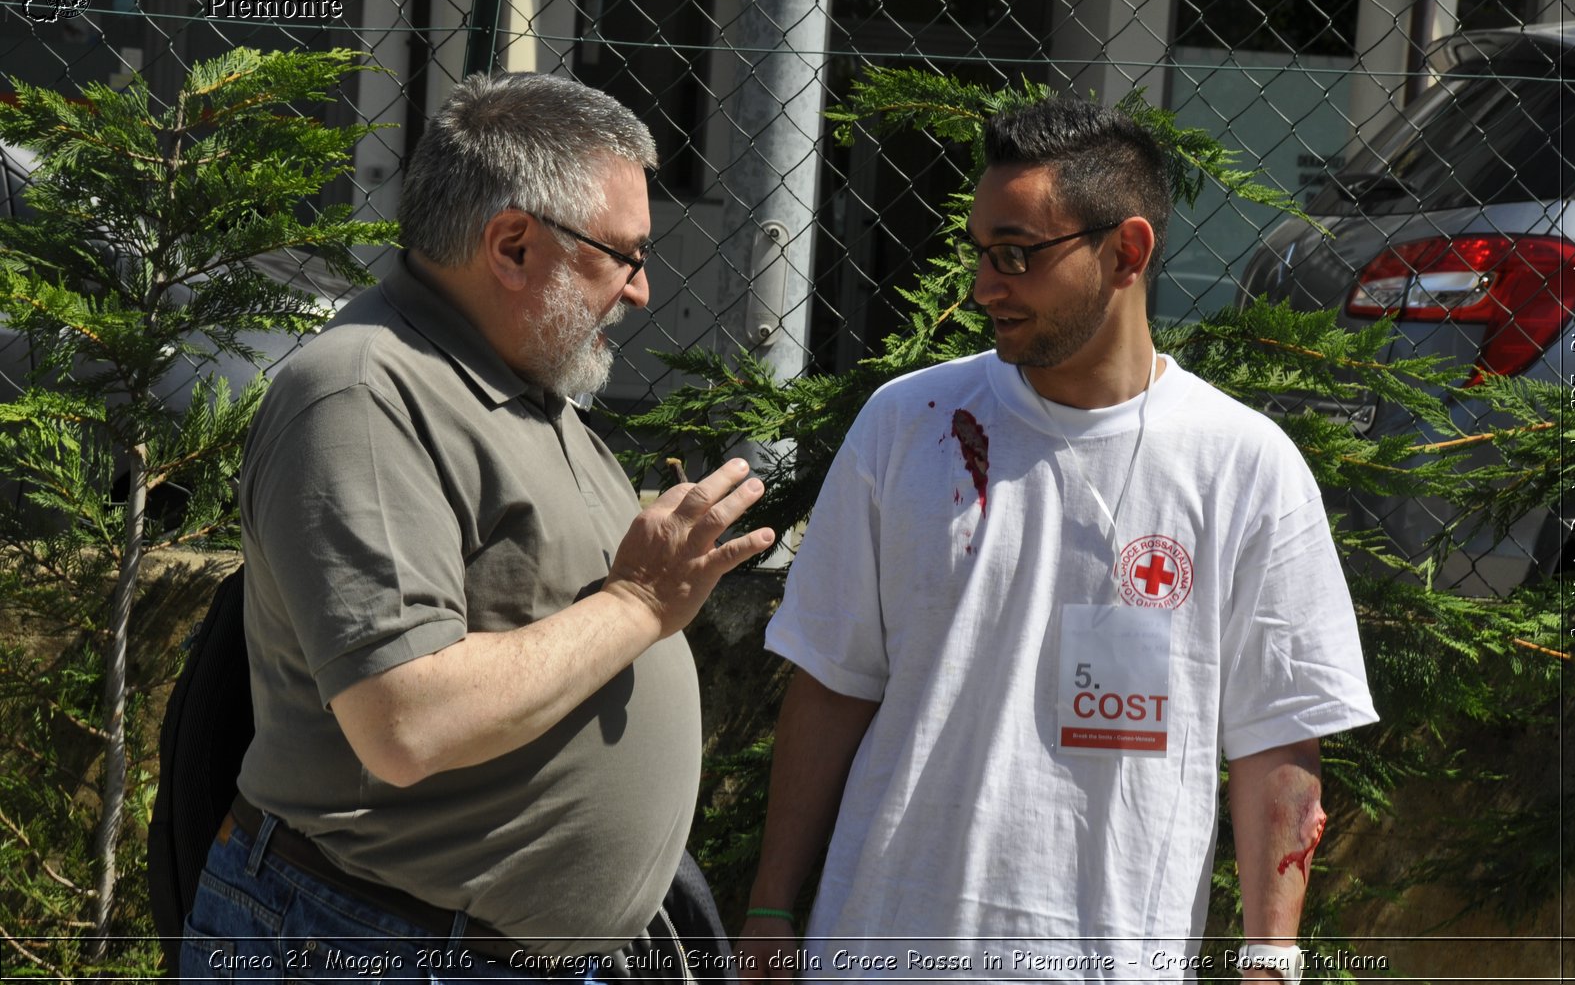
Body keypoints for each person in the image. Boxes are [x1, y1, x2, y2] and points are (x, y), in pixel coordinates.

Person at [736, 97, 1378, 983]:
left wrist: (1271, 960)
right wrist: (771, 907)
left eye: (1016, 256)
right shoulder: (907, 423)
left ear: (1128, 252)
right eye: (980, 255)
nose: (982, 287)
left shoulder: (1244, 465)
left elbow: (1279, 736)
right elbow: (832, 683)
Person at [179, 73, 774, 981]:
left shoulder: (525, 385)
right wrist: (639, 602)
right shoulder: (364, 393)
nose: (643, 290)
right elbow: (404, 718)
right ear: (512, 244)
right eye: (626, 254)